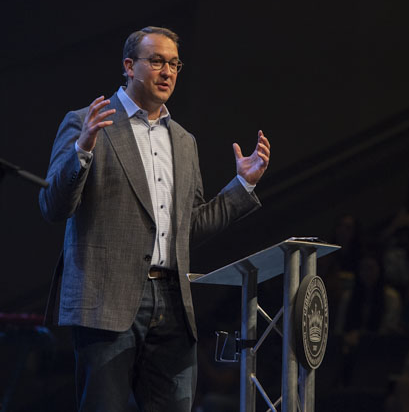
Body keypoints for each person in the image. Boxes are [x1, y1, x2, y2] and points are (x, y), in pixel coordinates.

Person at [38, 26, 271, 411]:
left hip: (173, 304)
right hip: (107, 303)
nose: (168, 72)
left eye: (175, 64)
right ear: (129, 66)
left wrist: (242, 185)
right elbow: (52, 206)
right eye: (158, 61)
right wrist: (82, 150)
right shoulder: (86, 123)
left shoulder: (183, 140)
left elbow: (190, 228)